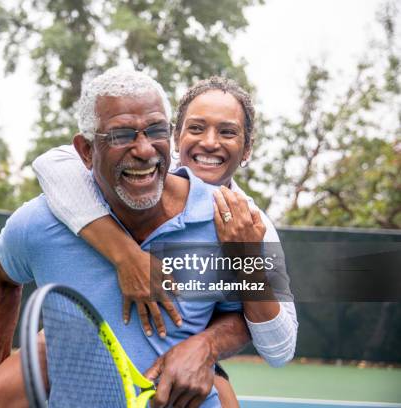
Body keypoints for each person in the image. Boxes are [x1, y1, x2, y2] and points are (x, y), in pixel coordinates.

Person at [0, 68, 253, 408]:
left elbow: (247, 315)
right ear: (86, 150)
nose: (144, 150)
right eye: (121, 135)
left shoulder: (231, 221)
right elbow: (1, 280)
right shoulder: (37, 224)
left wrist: (206, 347)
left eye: (156, 130)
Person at [32, 77, 297, 366]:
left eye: (227, 132)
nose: (209, 142)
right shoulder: (138, 172)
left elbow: (279, 350)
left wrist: (246, 260)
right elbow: (52, 163)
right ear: (175, 137)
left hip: (184, 365)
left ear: (247, 149)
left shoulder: (256, 227)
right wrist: (127, 256)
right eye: (196, 128)